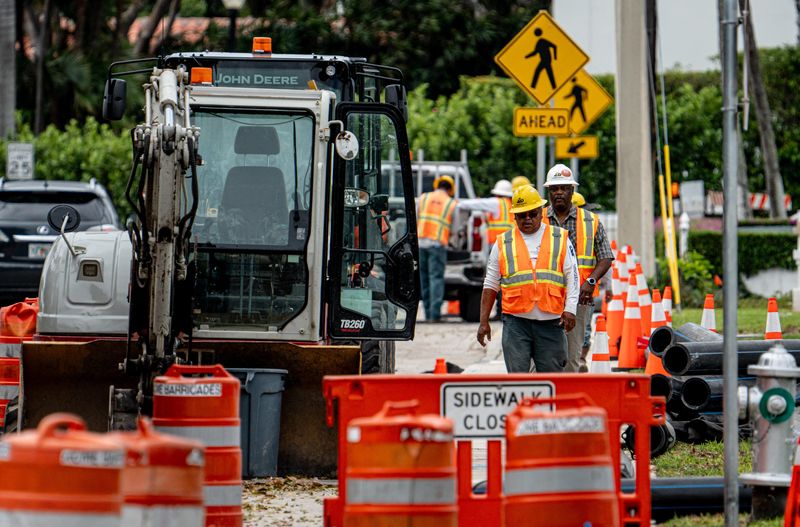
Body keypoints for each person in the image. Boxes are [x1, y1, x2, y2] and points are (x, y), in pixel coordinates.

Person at [476, 185, 578, 373]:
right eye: (522, 215)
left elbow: (573, 276)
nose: (528, 219)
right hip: (516, 323)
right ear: (515, 216)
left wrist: (570, 309)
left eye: (532, 213)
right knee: (518, 380)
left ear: (541, 212)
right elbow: (490, 284)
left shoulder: (559, 238)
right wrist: (483, 322)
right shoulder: (503, 242)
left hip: (551, 322)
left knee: (552, 379)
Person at [542, 164, 614, 373]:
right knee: (542, 358)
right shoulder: (539, 219)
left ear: (572, 191)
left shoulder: (590, 221)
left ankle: (567, 400)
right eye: (554, 189)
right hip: (545, 297)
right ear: (549, 192)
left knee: (572, 358)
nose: (559, 193)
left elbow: (605, 256)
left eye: (564, 188)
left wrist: (590, 282)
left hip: (579, 300)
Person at [417, 175, 457, 322]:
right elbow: (455, 227)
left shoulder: (424, 198)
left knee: (424, 279)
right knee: (436, 279)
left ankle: (428, 313)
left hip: (421, 243)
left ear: (437, 185)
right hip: (437, 244)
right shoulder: (450, 203)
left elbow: (416, 217)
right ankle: (434, 315)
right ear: (450, 189)